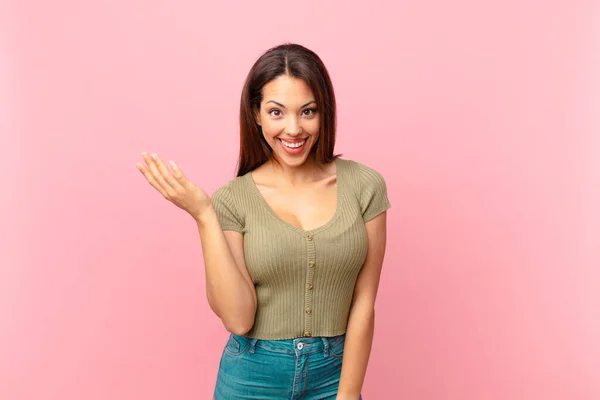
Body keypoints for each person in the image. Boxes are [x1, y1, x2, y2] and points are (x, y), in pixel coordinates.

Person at [136, 43, 391, 400]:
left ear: (324, 112)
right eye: (276, 112)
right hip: (252, 376)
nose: (293, 129)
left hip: (335, 374)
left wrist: (347, 396)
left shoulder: (364, 186)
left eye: (308, 111)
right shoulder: (233, 199)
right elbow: (238, 319)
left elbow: (364, 302)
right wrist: (204, 215)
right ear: (256, 114)